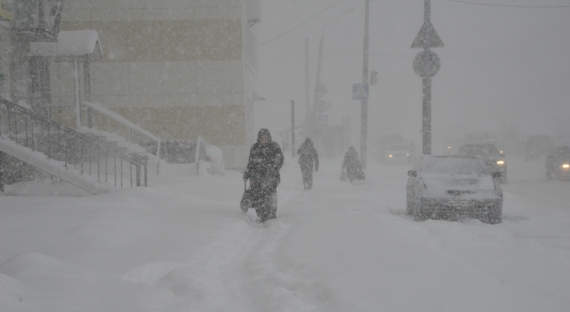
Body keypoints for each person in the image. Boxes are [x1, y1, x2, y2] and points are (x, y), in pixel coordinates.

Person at [243, 129, 284, 222]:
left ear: (269, 137)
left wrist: (272, 166)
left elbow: (280, 159)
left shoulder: (274, 147)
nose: (264, 139)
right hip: (256, 178)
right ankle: (261, 214)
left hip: (271, 177)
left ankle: (272, 213)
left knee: (270, 194)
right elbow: (250, 163)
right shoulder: (255, 147)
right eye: (262, 137)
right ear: (259, 138)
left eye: (266, 137)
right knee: (257, 196)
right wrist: (247, 173)